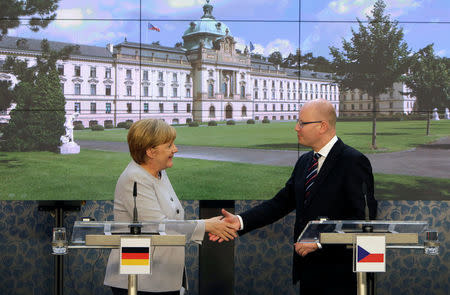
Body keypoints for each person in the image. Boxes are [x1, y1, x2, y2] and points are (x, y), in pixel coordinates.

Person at [211, 99, 377, 295]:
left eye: (302, 123)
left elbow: (364, 218)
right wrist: (240, 221)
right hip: (308, 271)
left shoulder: (353, 161)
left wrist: (320, 240)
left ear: (322, 126)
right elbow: (280, 203)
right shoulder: (305, 161)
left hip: (342, 274)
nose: (296, 127)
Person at [104, 119, 237, 295]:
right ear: (151, 151)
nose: (175, 149)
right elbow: (159, 226)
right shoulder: (134, 178)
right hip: (140, 280)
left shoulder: (159, 172)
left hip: (164, 275)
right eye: (169, 145)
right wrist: (207, 225)